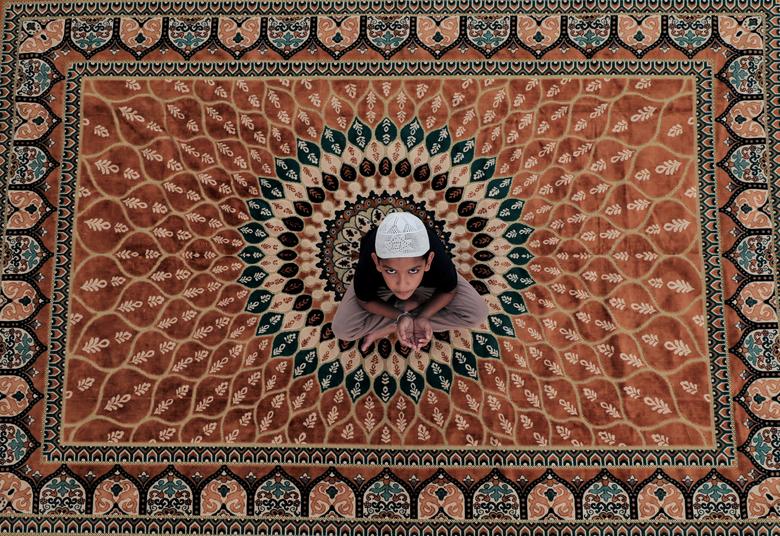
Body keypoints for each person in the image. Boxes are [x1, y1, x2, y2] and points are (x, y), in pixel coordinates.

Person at [331, 211, 489, 352]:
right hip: (380, 287)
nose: (402, 285)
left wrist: (424, 316)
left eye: (413, 270)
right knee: (343, 330)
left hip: (430, 284)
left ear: (428, 262)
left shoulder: (438, 260)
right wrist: (400, 316)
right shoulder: (368, 264)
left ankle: (395, 324)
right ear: (377, 263)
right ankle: (405, 317)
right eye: (391, 271)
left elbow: (449, 290)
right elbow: (365, 300)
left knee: (477, 314)